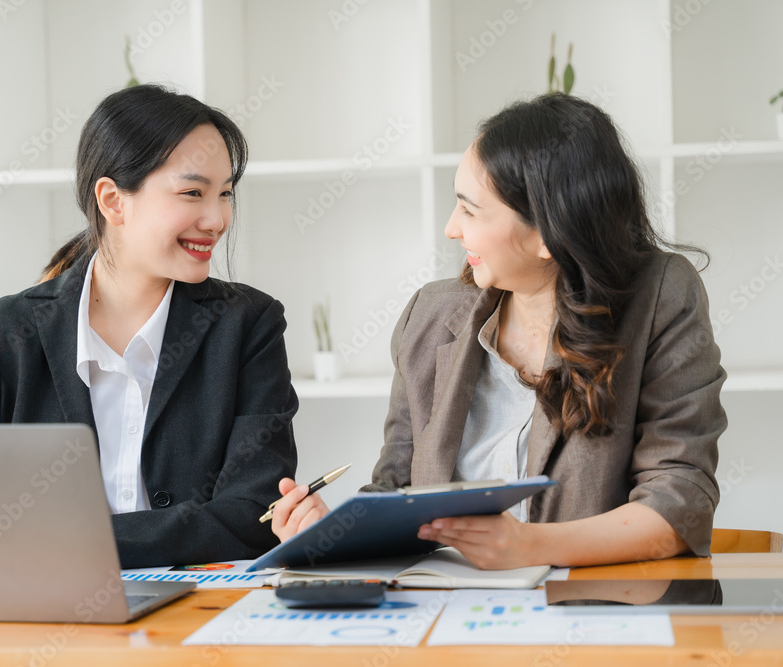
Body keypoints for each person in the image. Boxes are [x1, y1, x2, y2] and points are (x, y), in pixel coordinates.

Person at [271, 93, 726, 569]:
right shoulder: (429, 315)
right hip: (444, 614)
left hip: (590, 612)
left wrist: (530, 546)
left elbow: (680, 500)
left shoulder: (661, 296)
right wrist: (332, 532)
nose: (451, 228)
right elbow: (396, 492)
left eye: (469, 211)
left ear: (548, 233)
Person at [0, 84, 298, 568]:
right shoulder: (5, 334)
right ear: (113, 200)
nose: (217, 219)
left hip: (193, 616)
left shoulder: (249, 326)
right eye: (193, 192)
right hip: (37, 616)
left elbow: (252, 515)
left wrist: (54, 541)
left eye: (225, 194)